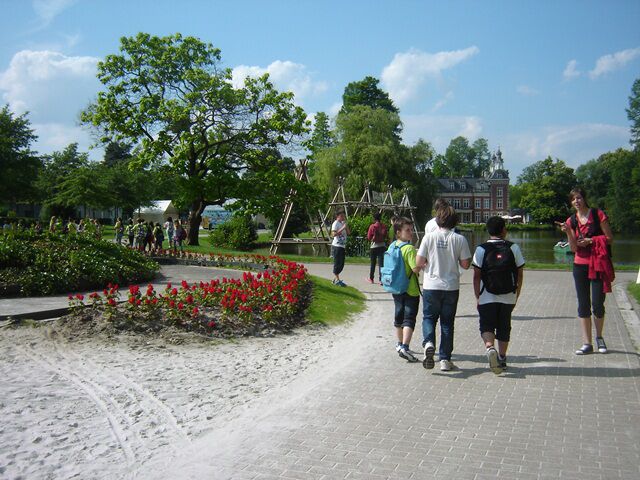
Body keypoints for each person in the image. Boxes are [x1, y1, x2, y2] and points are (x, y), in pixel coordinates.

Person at [557, 187, 614, 355]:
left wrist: (591, 241)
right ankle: (587, 343)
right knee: (583, 304)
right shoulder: (571, 220)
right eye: (573, 199)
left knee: (598, 303)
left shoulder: (597, 215)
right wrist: (569, 232)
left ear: (584, 198)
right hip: (580, 265)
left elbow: (610, 239)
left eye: (579, 198)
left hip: (597, 264)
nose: (576, 201)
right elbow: (574, 248)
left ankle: (600, 337)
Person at [416, 205, 471, 371]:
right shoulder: (459, 239)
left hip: (431, 285)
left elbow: (419, 262)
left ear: (438, 219)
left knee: (429, 318)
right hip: (451, 286)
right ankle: (445, 359)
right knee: (447, 323)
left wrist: (427, 263)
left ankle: (428, 343)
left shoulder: (428, 237)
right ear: (454, 221)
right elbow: (466, 264)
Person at [472, 216, 525, 374]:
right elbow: (520, 274)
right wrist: (516, 294)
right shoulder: (513, 247)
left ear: (488, 230)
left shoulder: (481, 249)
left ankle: (490, 348)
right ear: (504, 230)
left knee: (486, 325)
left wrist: (477, 296)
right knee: (504, 327)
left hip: (486, 295)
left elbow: (476, 276)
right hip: (509, 295)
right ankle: (502, 357)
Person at [388, 217, 422, 363]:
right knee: (409, 318)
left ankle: (399, 343)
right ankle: (405, 347)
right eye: (407, 230)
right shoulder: (409, 249)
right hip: (410, 289)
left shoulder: (392, 246)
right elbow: (415, 269)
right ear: (398, 232)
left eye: (411, 230)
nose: (411, 232)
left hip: (396, 288)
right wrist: (423, 263)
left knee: (399, 316)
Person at [366, 212, 387, 284]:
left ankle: (371, 278)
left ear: (374, 218)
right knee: (381, 264)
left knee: (373, 263)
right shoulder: (383, 226)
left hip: (374, 246)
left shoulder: (372, 226)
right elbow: (385, 236)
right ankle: (381, 279)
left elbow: (369, 237)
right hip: (382, 246)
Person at [330, 211, 350, 286]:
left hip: (342, 246)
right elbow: (333, 234)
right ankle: (337, 280)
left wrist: (346, 227)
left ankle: (335, 279)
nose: (343, 217)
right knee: (337, 263)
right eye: (341, 216)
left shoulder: (342, 223)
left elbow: (348, 233)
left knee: (341, 264)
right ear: (337, 216)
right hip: (337, 246)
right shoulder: (335, 223)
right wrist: (342, 228)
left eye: (343, 216)